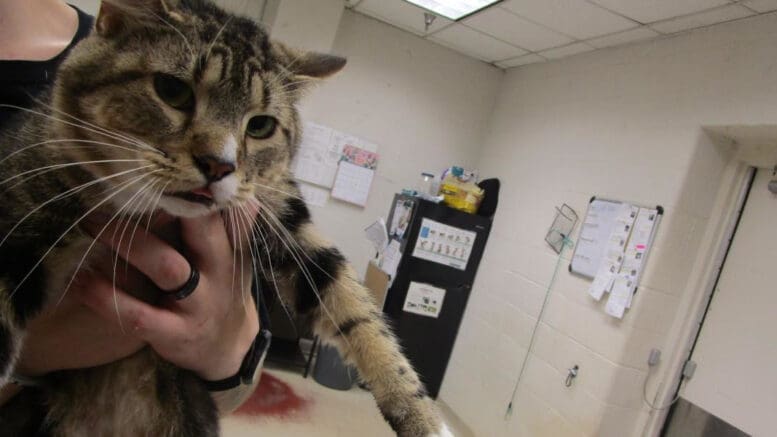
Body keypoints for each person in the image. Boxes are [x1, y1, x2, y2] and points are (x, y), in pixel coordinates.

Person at [0, 0, 264, 415]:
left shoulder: (133, 43)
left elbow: (235, 378)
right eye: (174, 92)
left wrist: (227, 354)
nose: (219, 156)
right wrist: (33, 357)